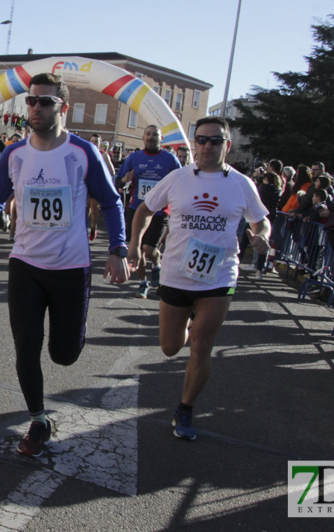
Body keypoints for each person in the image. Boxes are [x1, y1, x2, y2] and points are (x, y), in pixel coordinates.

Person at [0, 73, 129, 457]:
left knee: (63, 354)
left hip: (71, 269)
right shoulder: (14, 154)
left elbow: (112, 202)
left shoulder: (83, 153)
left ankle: (71, 335)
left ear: (62, 108)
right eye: (31, 101)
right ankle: (38, 419)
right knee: (25, 347)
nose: (35, 107)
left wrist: (119, 249)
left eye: (45, 102)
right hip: (26, 265)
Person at [127, 116, 271, 441]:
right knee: (169, 347)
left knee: (202, 346)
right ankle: (189, 323)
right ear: (194, 144)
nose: (207, 146)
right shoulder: (177, 178)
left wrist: (261, 235)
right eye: (202, 140)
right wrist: (135, 244)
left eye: (215, 141)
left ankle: (185, 408)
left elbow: (261, 221)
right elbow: (144, 210)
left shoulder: (241, 184)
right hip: (177, 274)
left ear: (227, 146)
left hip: (219, 276)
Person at [117, 125, 181, 299]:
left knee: (148, 249)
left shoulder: (171, 160)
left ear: (161, 139)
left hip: (160, 212)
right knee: (137, 247)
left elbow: (181, 186)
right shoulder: (134, 158)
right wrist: (124, 179)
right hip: (136, 208)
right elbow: (119, 182)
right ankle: (143, 283)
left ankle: (157, 263)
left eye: (155, 135)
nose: (152, 137)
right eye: (148, 134)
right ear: (143, 137)